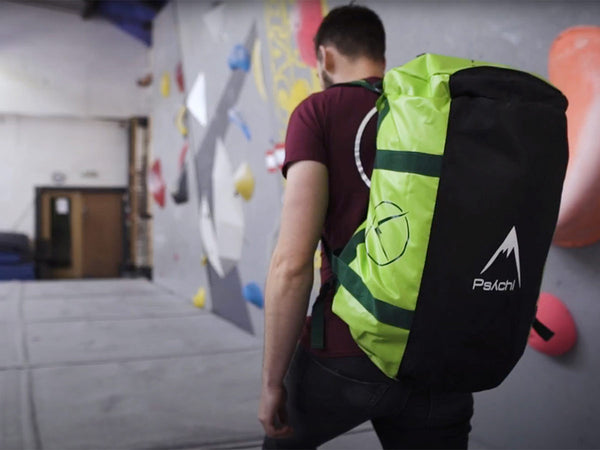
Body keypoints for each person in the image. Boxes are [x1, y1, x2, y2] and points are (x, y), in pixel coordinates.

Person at [258, 5, 473, 449]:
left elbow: (291, 264)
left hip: (345, 351)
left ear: (325, 57)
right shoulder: (436, 113)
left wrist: (272, 380)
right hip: (440, 354)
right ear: (380, 53)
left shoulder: (318, 111)